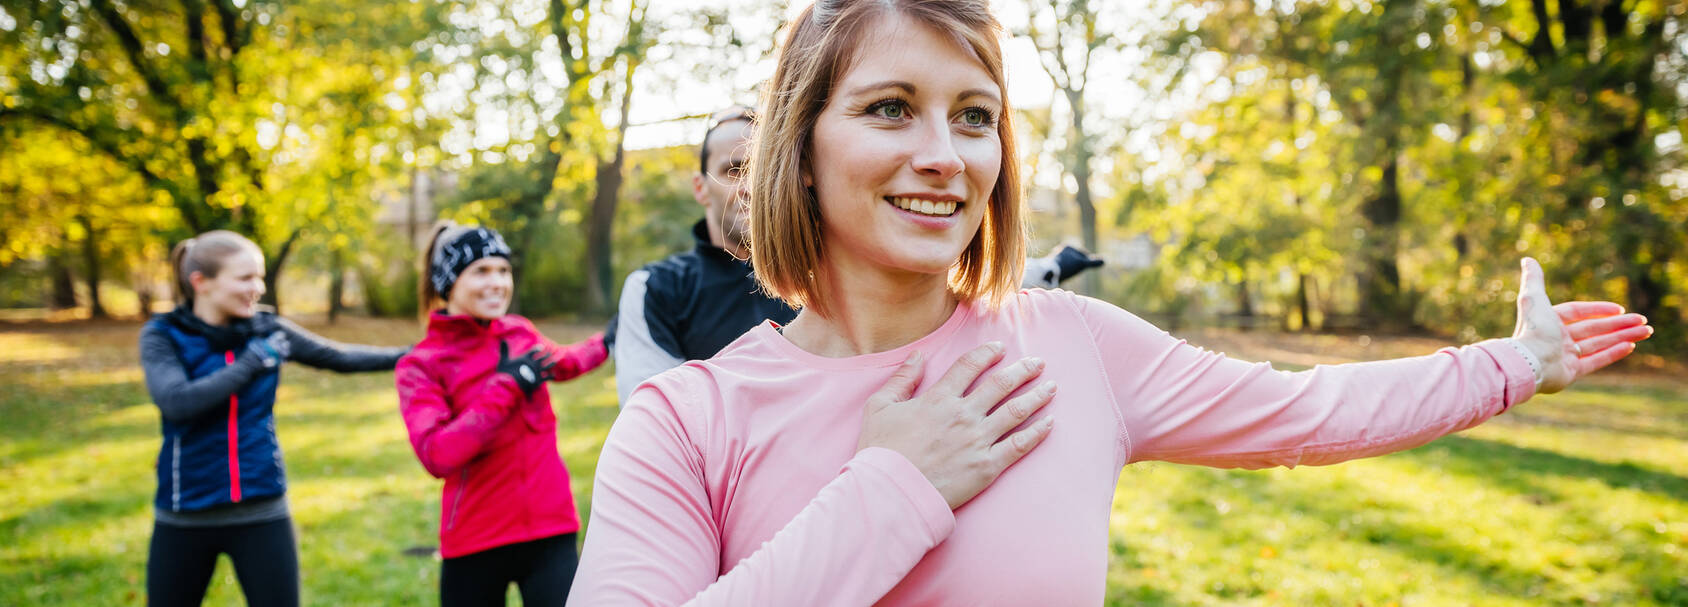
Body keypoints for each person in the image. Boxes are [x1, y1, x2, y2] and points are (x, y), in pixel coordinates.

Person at [567, 1, 1655, 604]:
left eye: (975, 116)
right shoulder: (684, 424)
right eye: (892, 109)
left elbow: (1304, 410)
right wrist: (893, 487)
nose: (944, 156)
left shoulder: (1072, 347)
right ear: (798, 148)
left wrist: (1515, 362)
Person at [610, 105, 1102, 404]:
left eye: (762, 166)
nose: (752, 184)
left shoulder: (838, 261)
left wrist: (1054, 267)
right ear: (700, 186)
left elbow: (955, 289)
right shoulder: (658, 289)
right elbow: (651, 422)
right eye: (734, 168)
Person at [139, 231, 409, 607]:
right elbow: (177, 402)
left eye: (260, 277)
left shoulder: (268, 330)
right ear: (201, 283)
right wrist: (252, 363)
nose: (258, 288)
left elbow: (342, 358)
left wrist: (417, 353)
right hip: (186, 510)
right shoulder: (164, 335)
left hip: (261, 507)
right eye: (245, 278)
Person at [394, 222, 609, 607]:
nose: (497, 282)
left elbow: (564, 363)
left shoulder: (519, 333)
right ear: (449, 282)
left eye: (503, 270)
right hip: (476, 540)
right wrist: (508, 386)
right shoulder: (421, 364)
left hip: (550, 527)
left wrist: (609, 340)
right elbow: (438, 454)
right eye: (481, 271)